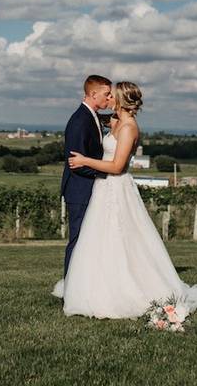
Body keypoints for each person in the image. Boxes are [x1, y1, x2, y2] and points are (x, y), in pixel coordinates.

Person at [53, 81, 197, 320]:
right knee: (98, 239)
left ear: (119, 99)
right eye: (106, 95)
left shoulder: (128, 127)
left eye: (111, 96)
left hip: (116, 186)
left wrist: (85, 161)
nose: (108, 99)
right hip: (102, 189)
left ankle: (124, 288)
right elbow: (94, 120)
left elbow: (117, 166)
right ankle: (92, 287)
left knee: (121, 238)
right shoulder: (116, 120)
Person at [60, 74, 113, 277]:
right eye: (106, 94)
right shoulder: (80, 121)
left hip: (89, 188)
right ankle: (71, 288)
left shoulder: (91, 116)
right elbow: (75, 163)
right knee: (78, 241)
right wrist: (108, 172)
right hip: (79, 190)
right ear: (93, 93)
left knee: (89, 241)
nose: (109, 99)